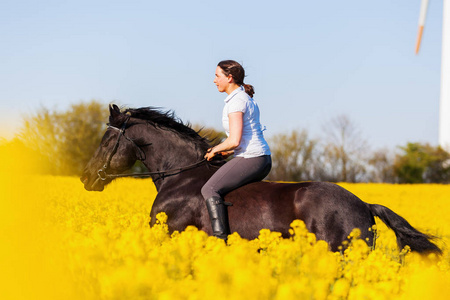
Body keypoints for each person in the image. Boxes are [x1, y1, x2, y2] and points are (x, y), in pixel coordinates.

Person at [201, 60, 272, 241]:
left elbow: (234, 140)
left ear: (229, 78)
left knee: (209, 189)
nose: (214, 80)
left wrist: (215, 150)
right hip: (259, 157)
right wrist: (226, 153)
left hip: (252, 157)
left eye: (217, 76)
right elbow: (243, 139)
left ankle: (220, 238)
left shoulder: (236, 102)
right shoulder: (243, 98)